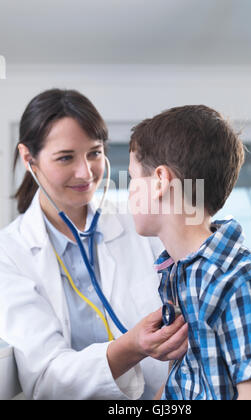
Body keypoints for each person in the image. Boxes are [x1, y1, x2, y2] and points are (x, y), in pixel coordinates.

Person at [0, 89, 188, 400]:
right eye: (65, 157)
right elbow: (45, 379)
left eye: (94, 153)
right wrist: (132, 347)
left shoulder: (140, 224)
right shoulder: (9, 253)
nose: (85, 173)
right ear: (28, 158)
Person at [128, 105, 251, 400]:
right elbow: (183, 378)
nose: (129, 191)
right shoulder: (179, 272)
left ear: (159, 181)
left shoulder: (241, 280)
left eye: (132, 178)